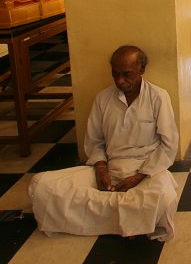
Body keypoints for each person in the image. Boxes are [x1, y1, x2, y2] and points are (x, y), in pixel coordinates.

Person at [29, 46, 179, 241]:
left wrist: (138, 177)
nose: (120, 81)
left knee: (163, 197)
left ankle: (101, 214)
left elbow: (169, 145)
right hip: (110, 168)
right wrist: (101, 169)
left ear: (141, 70)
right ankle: (130, 218)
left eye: (127, 75)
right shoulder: (103, 98)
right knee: (39, 184)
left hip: (146, 171)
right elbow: (95, 141)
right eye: (115, 74)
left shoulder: (158, 97)